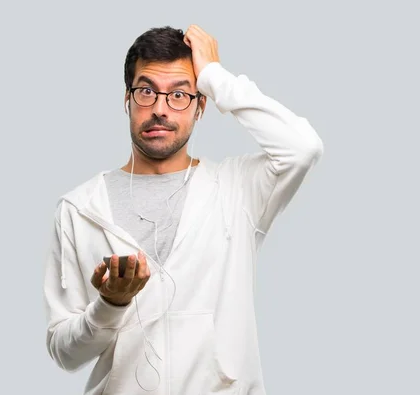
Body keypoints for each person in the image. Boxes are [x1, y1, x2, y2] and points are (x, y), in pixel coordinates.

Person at [43, 24, 324, 395]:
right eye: (146, 91)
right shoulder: (79, 209)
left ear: (201, 104)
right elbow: (65, 353)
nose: (160, 109)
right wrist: (110, 303)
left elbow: (303, 147)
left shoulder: (237, 189)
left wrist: (213, 75)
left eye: (179, 94)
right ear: (127, 99)